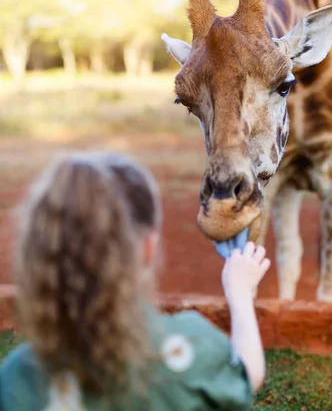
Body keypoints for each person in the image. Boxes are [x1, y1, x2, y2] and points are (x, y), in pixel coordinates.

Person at [0, 151, 270, 410]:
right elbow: (247, 373)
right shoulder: (190, 350)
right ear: (148, 249)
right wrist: (240, 294)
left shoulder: (15, 379)